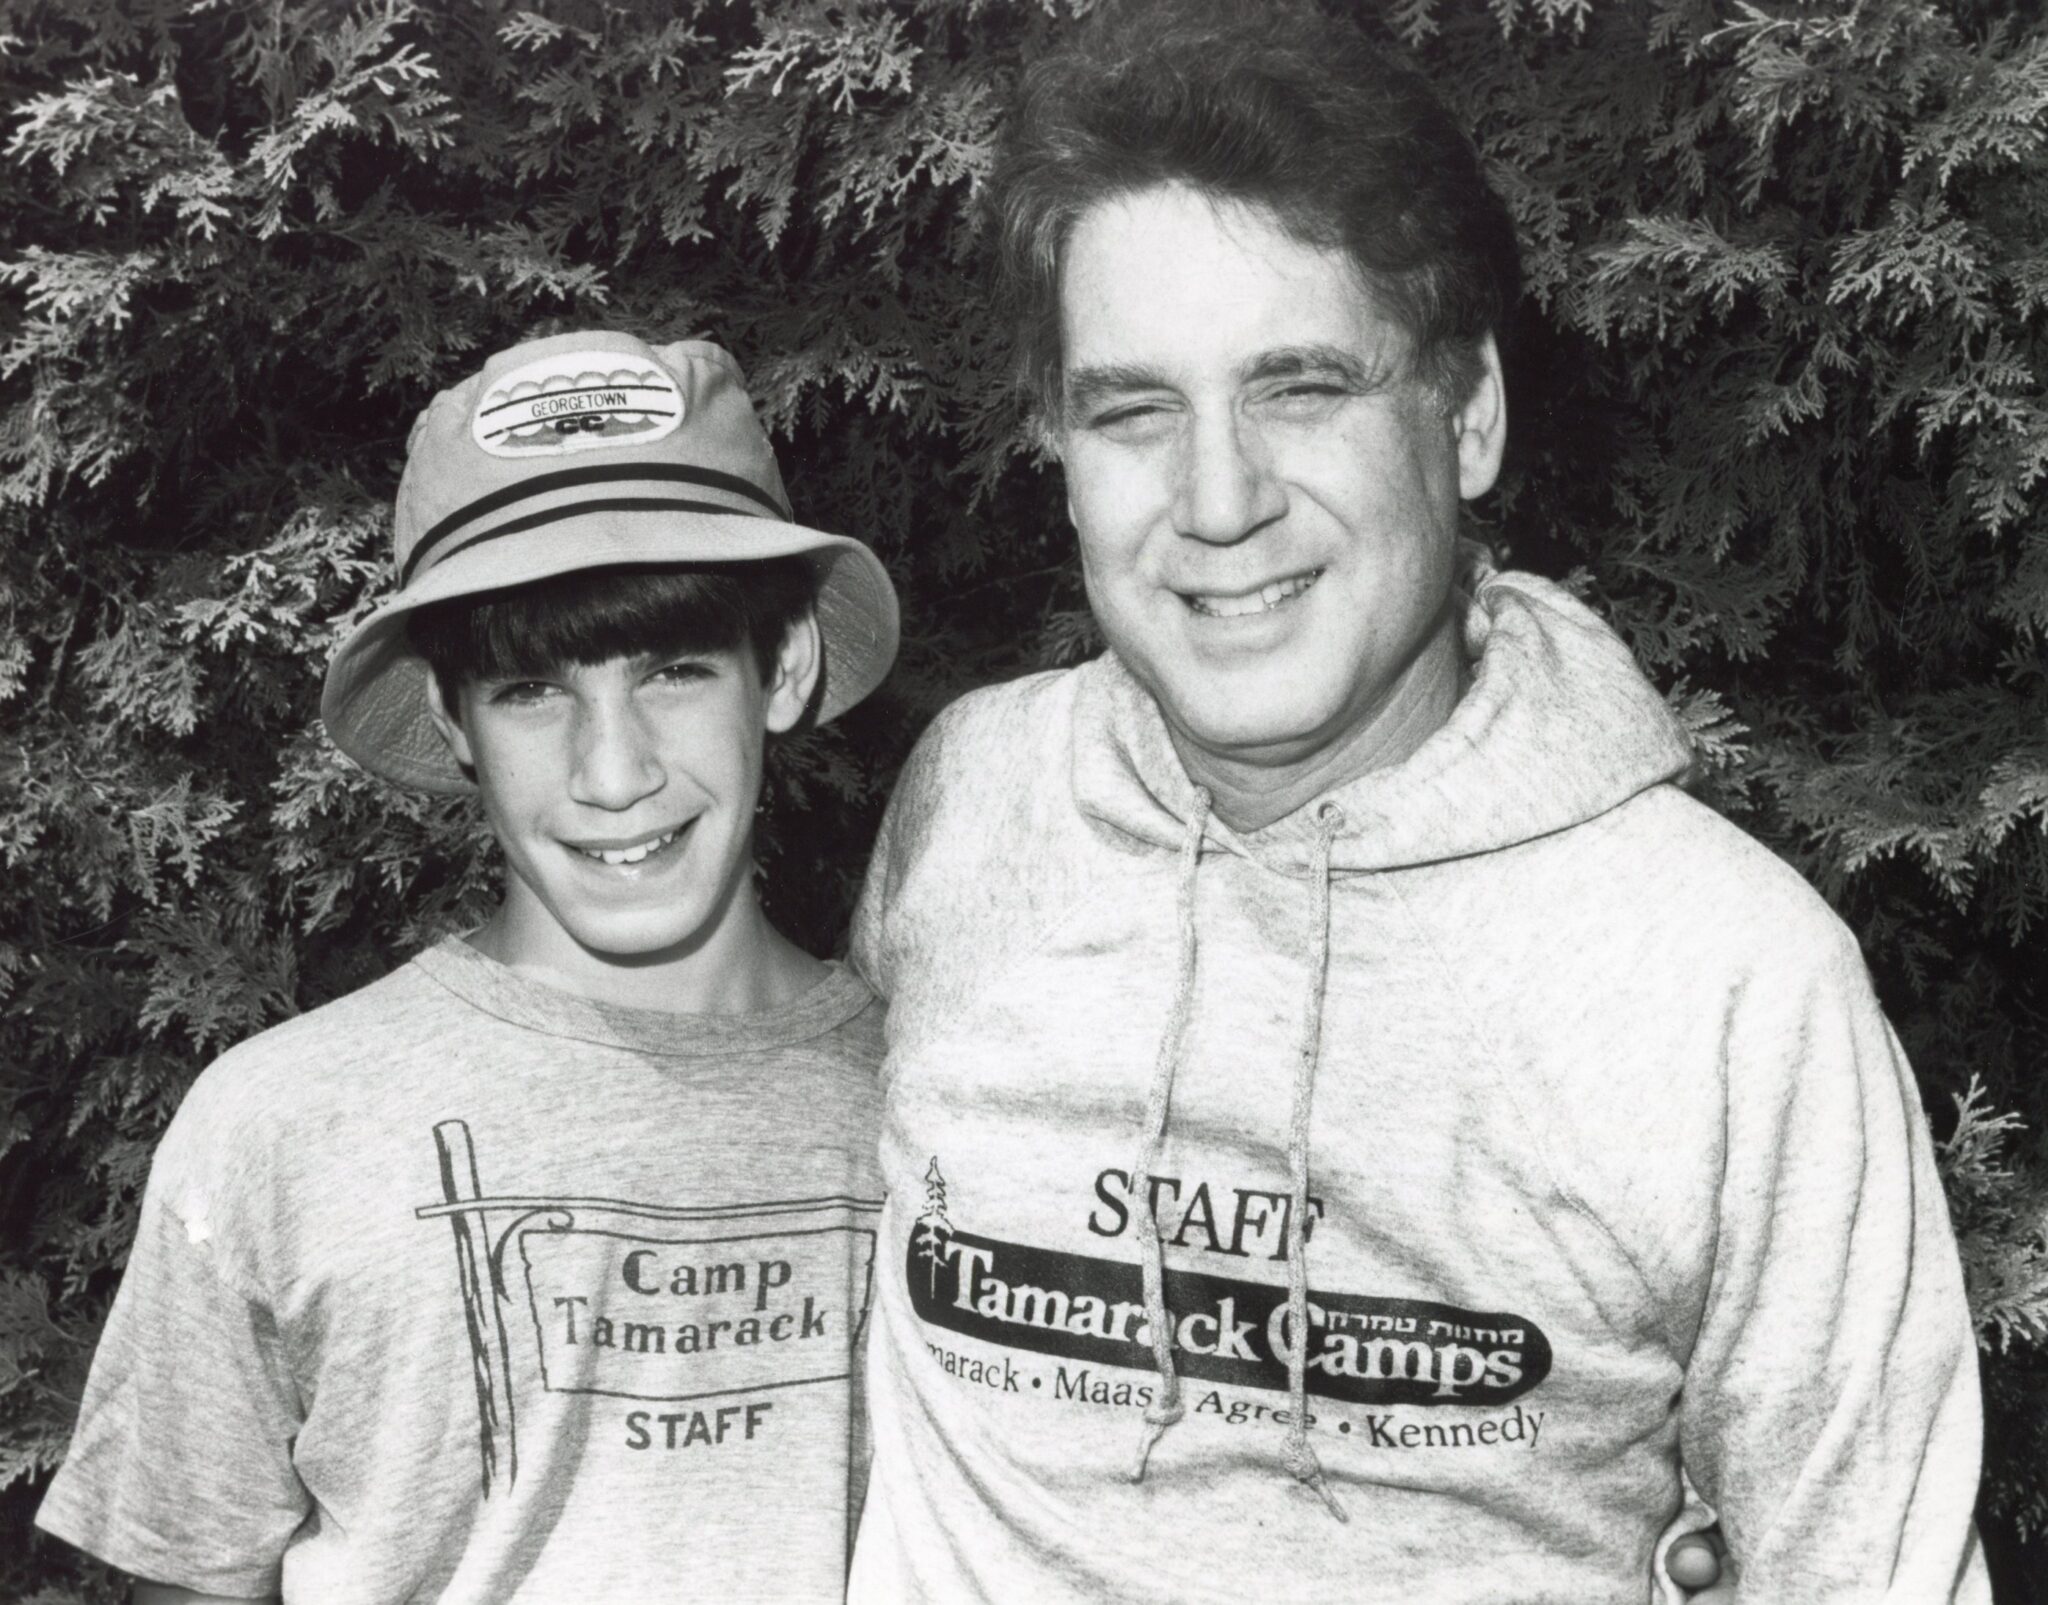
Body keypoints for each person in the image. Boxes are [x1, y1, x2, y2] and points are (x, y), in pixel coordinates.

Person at [845, 5, 1988, 1600]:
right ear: (1063, 450)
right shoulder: (968, 804)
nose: (1220, 499)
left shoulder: (1724, 980)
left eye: (1301, 388)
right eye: (1135, 410)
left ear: (1466, 419)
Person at [35, 330, 901, 1602]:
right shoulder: (278, 1126)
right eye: (528, 691)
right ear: (450, 719)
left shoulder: (936, 1105)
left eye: (674, 671)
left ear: (783, 668)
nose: (615, 773)